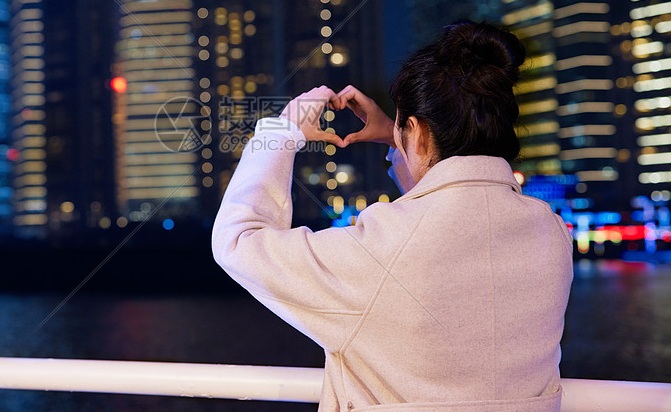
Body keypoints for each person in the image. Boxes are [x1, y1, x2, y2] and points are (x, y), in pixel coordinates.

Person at [212, 21, 573, 412]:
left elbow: (237, 241)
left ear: (416, 131)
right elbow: (451, 211)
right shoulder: (549, 231)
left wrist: (282, 131)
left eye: (404, 127)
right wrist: (398, 136)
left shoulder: (380, 247)